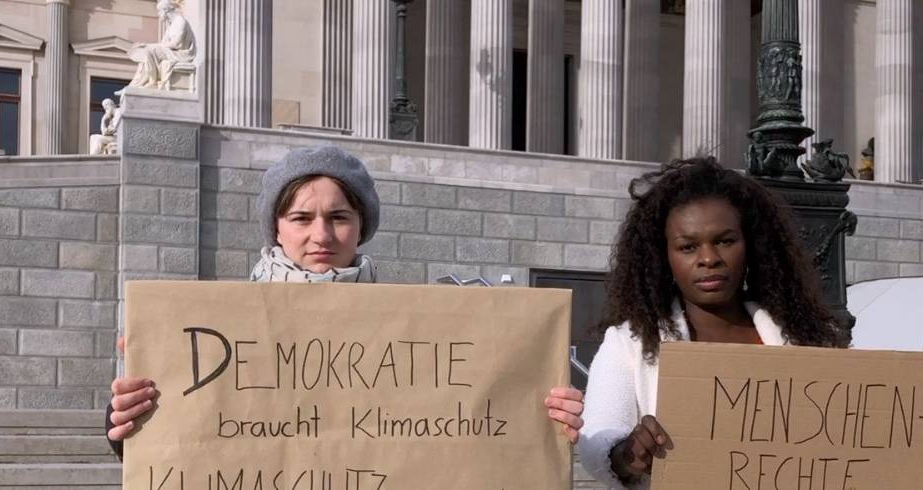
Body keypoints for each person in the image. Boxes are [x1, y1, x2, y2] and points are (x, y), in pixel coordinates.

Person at [104, 145, 586, 456]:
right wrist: (128, 419)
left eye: (338, 217)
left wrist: (538, 409)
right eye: (300, 217)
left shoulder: (417, 333)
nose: (321, 235)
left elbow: (451, 436)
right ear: (276, 227)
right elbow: (185, 445)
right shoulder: (218, 326)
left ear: (361, 226)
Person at [575, 158, 923, 488]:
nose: (709, 257)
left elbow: (875, 439)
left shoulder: (804, 341)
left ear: (750, 246)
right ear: (664, 257)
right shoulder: (631, 342)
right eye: (688, 247)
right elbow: (597, 443)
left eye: (725, 240)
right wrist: (629, 453)